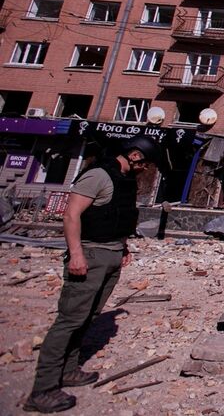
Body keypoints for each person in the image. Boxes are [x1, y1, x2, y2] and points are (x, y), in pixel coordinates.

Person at [24, 135, 161, 413]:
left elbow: (120, 214)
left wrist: (123, 247)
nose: (146, 169)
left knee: (88, 316)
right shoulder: (98, 175)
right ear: (134, 155)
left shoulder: (124, 180)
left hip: (111, 254)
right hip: (90, 254)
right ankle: (43, 390)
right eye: (144, 163)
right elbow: (71, 215)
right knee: (69, 320)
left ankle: (70, 370)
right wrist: (76, 254)